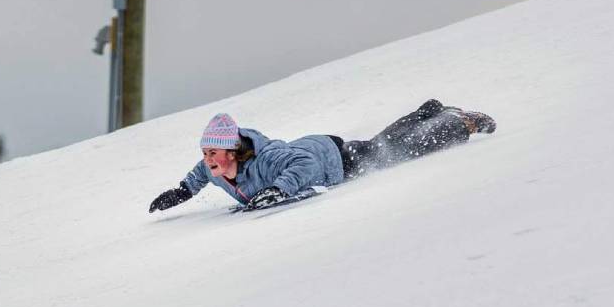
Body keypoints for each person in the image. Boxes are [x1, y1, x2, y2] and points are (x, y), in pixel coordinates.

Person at [148, 99, 496, 212]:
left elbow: (305, 166)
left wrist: (280, 190)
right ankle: (428, 111)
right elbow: (198, 173)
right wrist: (181, 191)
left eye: (213, 152)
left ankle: (462, 124)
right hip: (319, 146)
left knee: (397, 151)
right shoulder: (214, 167)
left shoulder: (267, 158)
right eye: (205, 152)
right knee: (382, 143)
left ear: (234, 151)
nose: (208, 159)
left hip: (333, 159)